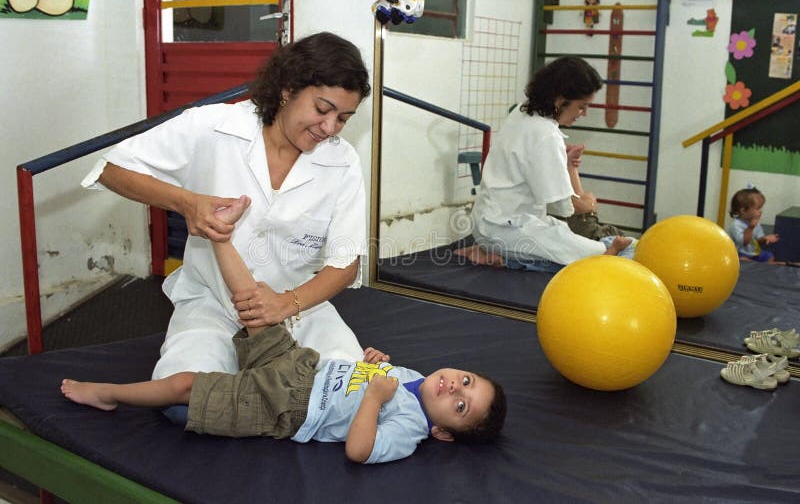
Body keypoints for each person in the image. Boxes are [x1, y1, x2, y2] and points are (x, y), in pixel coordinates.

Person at [61, 198, 507, 464]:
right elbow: (366, 380)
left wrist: (373, 398)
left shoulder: (411, 428)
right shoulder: (415, 379)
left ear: (443, 433)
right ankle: (220, 235)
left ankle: (109, 393)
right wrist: (373, 366)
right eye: (464, 380)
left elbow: (359, 449)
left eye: (460, 405)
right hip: (303, 367)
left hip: (285, 406)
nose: (452, 388)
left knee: (183, 386)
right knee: (256, 304)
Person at [80, 32, 372, 422]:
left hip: (298, 308)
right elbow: (112, 169)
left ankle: (265, 391)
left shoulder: (342, 162)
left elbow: (345, 263)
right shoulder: (214, 125)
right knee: (183, 402)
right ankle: (268, 391)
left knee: (352, 390)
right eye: (323, 109)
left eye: (343, 119)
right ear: (288, 89)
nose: (330, 127)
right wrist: (187, 203)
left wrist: (287, 303)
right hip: (212, 303)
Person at [456, 56, 632, 272]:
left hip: (492, 223)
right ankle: (496, 254)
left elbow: (528, 162)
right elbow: (565, 207)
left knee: (560, 233)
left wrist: (562, 161)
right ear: (560, 100)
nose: (583, 114)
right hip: (504, 229)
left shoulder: (521, 112)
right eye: (581, 107)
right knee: (595, 254)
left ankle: (491, 253)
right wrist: (588, 204)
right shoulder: (546, 134)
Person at [727, 186, 782, 264]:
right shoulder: (736, 225)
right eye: (757, 209)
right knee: (742, 260)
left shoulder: (756, 224)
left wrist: (765, 238)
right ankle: (757, 266)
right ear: (743, 210)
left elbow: (758, 240)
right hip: (740, 253)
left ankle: (761, 268)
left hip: (754, 253)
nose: (760, 212)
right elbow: (744, 242)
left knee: (769, 256)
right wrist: (751, 227)